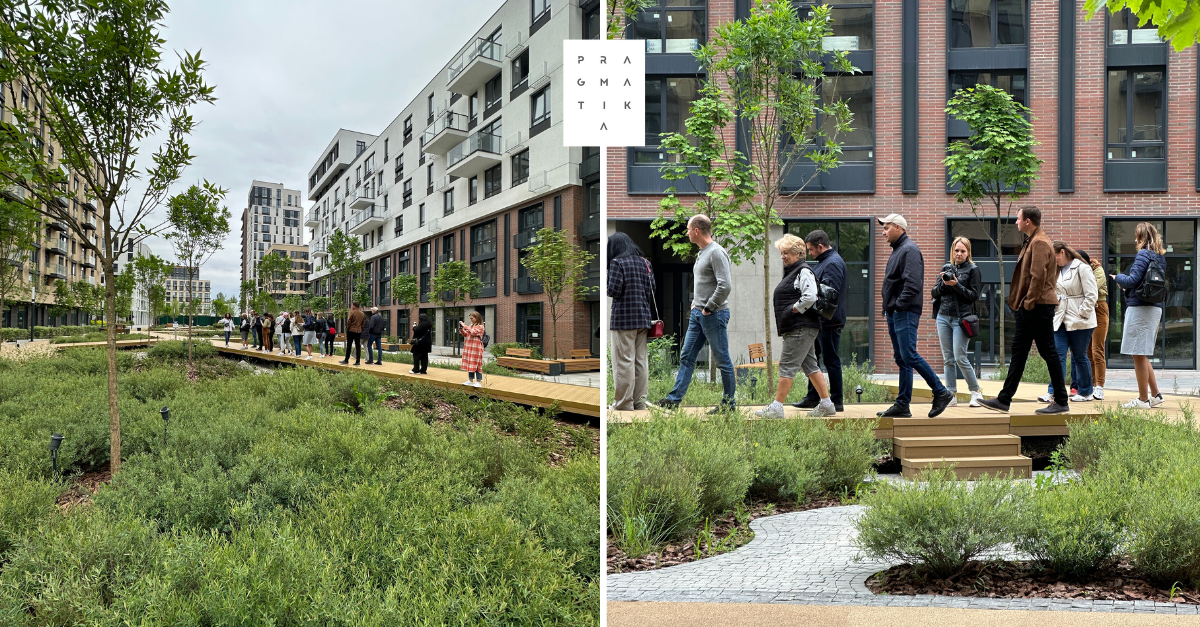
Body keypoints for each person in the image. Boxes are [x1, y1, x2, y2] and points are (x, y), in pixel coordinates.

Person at [980, 206, 1069, 414]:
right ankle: (1004, 399)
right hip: (1032, 306)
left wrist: (1028, 303)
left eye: (1018, 219)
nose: (1015, 222)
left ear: (1028, 221)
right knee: (1019, 353)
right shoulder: (1033, 240)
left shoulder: (1039, 242)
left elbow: (1037, 277)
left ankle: (1062, 401)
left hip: (1037, 306)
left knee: (1048, 352)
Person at [652, 214, 736, 413]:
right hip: (698, 315)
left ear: (696, 231)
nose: (687, 233)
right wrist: (695, 304)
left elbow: (725, 285)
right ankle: (674, 400)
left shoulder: (716, 252)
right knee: (687, 356)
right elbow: (704, 284)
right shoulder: (701, 253)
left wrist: (708, 307)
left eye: (688, 229)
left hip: (713, 315)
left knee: (722, 359)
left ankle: (728, 405)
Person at [877, 214, 955, 418]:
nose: (883, 232)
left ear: (897, 227)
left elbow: (912, 284)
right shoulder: (899, 250)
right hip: (896, 312)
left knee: (909, 354)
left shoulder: (909, 250)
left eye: (886, 228)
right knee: (902, 358)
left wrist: (898, 306)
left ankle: (941, 392)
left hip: (904, 312)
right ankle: (902, 404)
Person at [756, 234, 836, 419]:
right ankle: (826, 404)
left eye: (786, 253)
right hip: (801, 327)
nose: (783, 256)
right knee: (810, 365)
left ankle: (776, 408)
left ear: (798, 253)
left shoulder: (803, 271)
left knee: (786, 366)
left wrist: (793, 309)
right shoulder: (795, 271)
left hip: (800, 327)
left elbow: (810, 296)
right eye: (782, 253)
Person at [1113, 222, 1168, 409]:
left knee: (1137, 353)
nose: (1135, 239)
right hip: (1154, 307)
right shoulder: (1160, 257)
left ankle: (1143, 400)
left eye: (1136, 236)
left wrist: (1118, 277)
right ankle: (1155, 395)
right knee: (1142, 353)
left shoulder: (1143, 254)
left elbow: (1132, 280)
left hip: (1141, 308)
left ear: (1140, 237)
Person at [793, 229, 848, 411]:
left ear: (820, 246)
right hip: (823, 321)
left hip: (829, 322)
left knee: (831, 360)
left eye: (811, 249)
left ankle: (836, 401)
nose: (809, 253)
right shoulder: (826, 261)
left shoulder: (832, 263)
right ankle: (812, 397)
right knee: (813, 359)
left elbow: (828, 294)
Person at [1039, 242, 1098, 403]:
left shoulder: (1082, 268)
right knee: (1057, 356)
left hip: (1080, 320)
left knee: (1079, 356)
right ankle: (1054, 391)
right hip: (1060, 318)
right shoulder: (1056, 270)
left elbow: (1092, 294)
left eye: (1055, 256)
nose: (1053, 260)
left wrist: (1082, 312)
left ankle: (1086, 392)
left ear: (1063, 252)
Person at [931, 236, 984, 407]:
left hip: (962, 319)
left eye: (962, 251)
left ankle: (976, 392)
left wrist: (956, 285)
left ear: (968, 252)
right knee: (948, 359)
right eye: (956, 250)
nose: (959, 253)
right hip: (943, 317)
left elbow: (974, 296)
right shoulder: (947, 268)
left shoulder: (973, 269)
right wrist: (944, 284)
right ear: (952, 251)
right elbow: (934, 293)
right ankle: (950, 395)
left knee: (960, 357)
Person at [606, 232, 654, 412]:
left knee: (624, 361)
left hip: (623, 320)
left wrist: (607, 278)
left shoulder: (617, 263)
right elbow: (652, 289)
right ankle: (639, 402)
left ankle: (624, 403)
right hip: (643, 319)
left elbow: (613, 290)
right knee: (640, 361)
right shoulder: (645, 263)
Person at [1076, 250, 1109, 400]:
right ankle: (1090, 386)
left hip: (1099, 308)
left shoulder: (1098, 269)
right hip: (1087, 309)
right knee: (1087, 351)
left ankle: (1099, 387)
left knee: (1097, 349)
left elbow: (1092, 288)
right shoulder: (1077, 271)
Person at [457, 311, 486, 387]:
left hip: (476, 348)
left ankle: (478, 381)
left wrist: (464, 326)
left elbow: (473, 332)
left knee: (477, 364)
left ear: (477, 318)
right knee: (470, 363)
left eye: (472, 318)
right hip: (469, 347)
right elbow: (467, 334)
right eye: (470, 318)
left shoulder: (481, 326)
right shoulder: (471, 325)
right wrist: (461, 330)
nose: (471, 320)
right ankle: (470, 380)